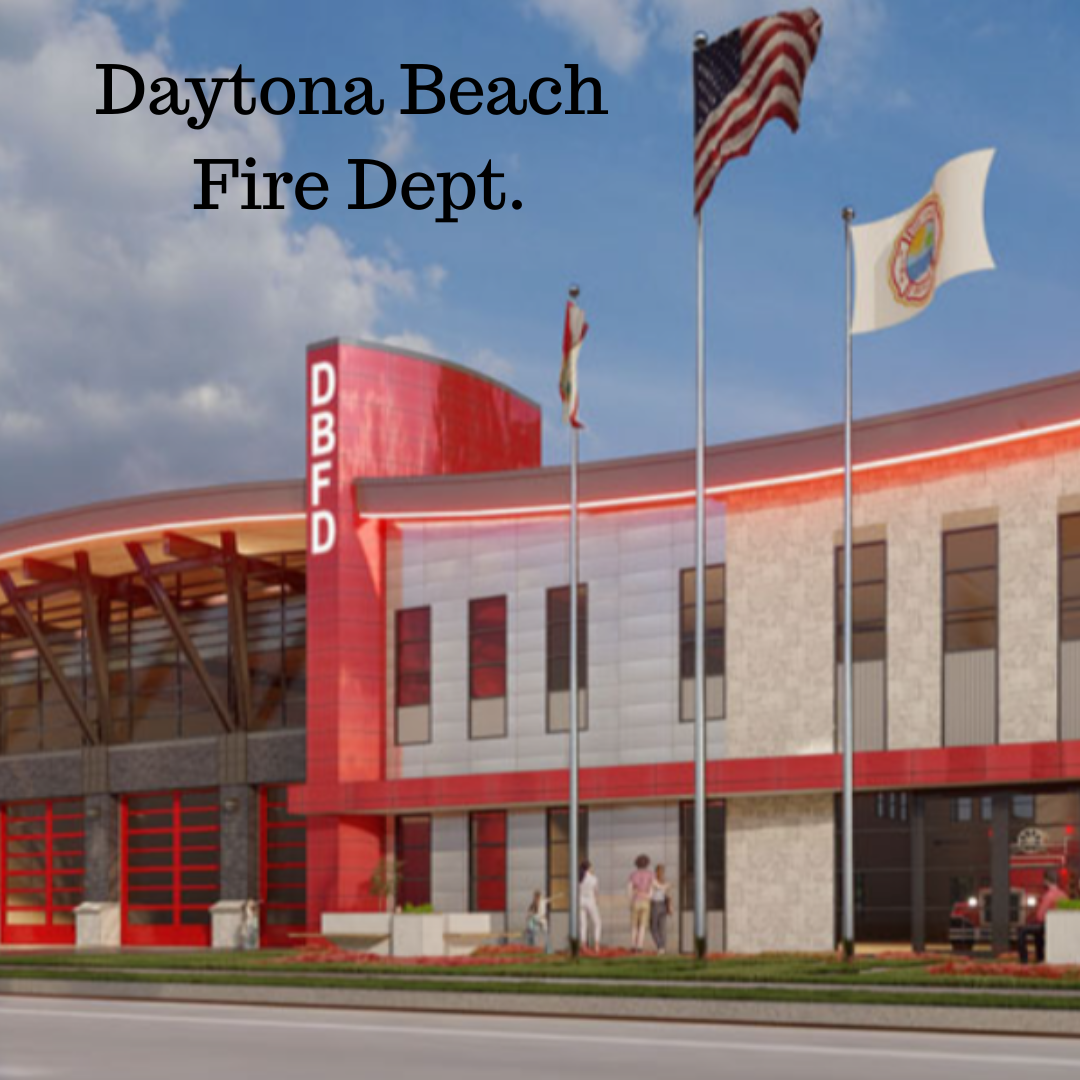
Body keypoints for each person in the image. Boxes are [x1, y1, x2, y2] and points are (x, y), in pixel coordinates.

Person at [1018, 871, 1067, 964]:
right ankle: (1039, 957)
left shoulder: (1048, 895)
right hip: (1059, 926)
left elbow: (1040, 916)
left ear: (1046, 881)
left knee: (1023, 930)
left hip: (1047, 925)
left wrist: (1031, 918)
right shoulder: (1063, 895)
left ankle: (1024, 960)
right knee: (1038, 930)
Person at [626, 854, 654, 953]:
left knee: (634, 925)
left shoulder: (633, 874)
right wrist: (648, 897)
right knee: (642, 925)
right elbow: (651, 889)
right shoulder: (650, 874)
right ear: (647, 863)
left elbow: (629, 889)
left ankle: (633, 945)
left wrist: (630, 901)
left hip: (636, 901)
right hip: (645, 902)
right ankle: (639, 946)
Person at [649, 864, 673, 955]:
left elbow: (652, 894)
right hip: (663, 905)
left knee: (653, 927)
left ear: (656, 872)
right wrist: (670, 907)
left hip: (656, 905)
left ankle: (660, 946)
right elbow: (669, 896)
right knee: (662, 928)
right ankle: (662, 947)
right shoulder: (665, 882)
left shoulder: (654, 881)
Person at [579, 860, 602, 950]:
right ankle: (596, 944)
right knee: (597, 923)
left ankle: (583, 944)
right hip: (590, 901)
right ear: (588, 868)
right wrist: (597, 901)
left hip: (580, 901)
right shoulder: (594, 878)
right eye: (591, 867)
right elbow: (596, 892)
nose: (593, 869)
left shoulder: (579, 878)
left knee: (583, 924)